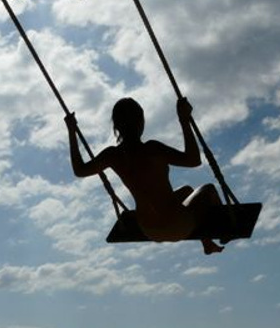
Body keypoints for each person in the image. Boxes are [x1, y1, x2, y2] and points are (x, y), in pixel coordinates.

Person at [66, 97, 225, 255]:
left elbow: (80, 170)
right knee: (209, 189)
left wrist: (71, 132)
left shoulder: (112, 155)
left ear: (116, 126)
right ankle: (225, 231)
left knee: (186, 191)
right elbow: (193, 160)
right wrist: (184, 120)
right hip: (178, 225)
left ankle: (207, 243)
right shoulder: (152, 149)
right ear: (141, 122)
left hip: (150, 230)